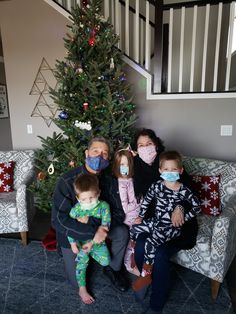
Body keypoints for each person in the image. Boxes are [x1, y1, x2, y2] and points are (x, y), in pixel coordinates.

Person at [132, 128, 199, 314]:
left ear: (156, 145)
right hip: (153, 221)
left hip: (176, 226)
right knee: (140, 243)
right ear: (136, 149)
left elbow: (193, 195)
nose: (145, 148)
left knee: (159, 253)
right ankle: (145, 278)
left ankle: (156, 303)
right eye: (141, 145)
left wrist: (180, 208)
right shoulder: (136, 165)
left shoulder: (170, 162)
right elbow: (144, 200)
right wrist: (139, 216)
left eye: (149, 144)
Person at [51, 137, 129, 295]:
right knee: (75, 282)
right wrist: (93, 231)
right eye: (95, 152)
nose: (99, 157)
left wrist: (99, 227)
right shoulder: (66, 181)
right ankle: (71, 252)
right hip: (73, 233)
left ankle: (112, 268)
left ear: (108, 158)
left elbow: (119, 212)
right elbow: (58, 220)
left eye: (104, 153)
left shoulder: (110, 179)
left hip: (102, 226)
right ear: (87, 153)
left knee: (122, 232)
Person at [67, 173, 111, 304]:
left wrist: (92, 244)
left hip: (96, 241)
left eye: (91, 198)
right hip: (81, 243)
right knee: (82, 262)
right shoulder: (75, 210)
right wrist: (73, 244)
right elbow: (70, 229)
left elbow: (105, 225)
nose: (88, 202)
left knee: (106, 262)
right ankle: (82, 289)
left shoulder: (104, 207)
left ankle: (90, 256)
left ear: (98, 193)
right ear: (78, 197)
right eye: (84, 199)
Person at [111, 148, 140, 276]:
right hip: (129, 218)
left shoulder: (131, 179)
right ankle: (129, 265)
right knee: (131, 243)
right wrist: (138, 202)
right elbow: (125, 207)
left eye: (127, 164)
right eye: (122, 164)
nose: (125, 167)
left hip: (138, 214)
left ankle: (142, 261)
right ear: (117, 166)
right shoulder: (121, 183)